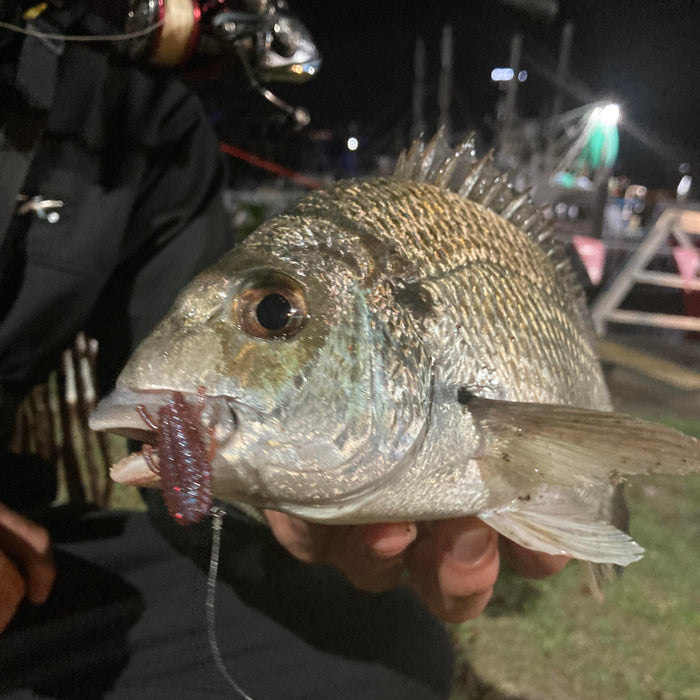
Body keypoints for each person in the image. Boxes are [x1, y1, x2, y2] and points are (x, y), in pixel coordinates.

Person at [0, 3, 568, 698]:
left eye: (274, 313)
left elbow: (183, 416)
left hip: (24, 560)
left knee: (387, 652)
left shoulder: (146, 115)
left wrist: (255, 507)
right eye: (274, 313)